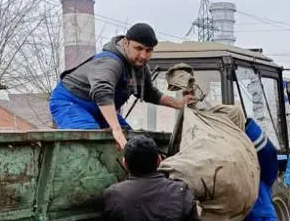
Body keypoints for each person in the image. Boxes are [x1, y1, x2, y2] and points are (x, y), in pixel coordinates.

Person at [49, 23, 193, 151]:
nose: (143, 56)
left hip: (100, 108)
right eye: (138, 48)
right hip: (71, 102)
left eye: (148, 50)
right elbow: (102, 91)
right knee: (89, 141)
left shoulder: (141, 69)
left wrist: (179, 104)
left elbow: (150, 93)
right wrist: (116, 129)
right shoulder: (110, 62)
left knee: (133, 144)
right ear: (125, 43)